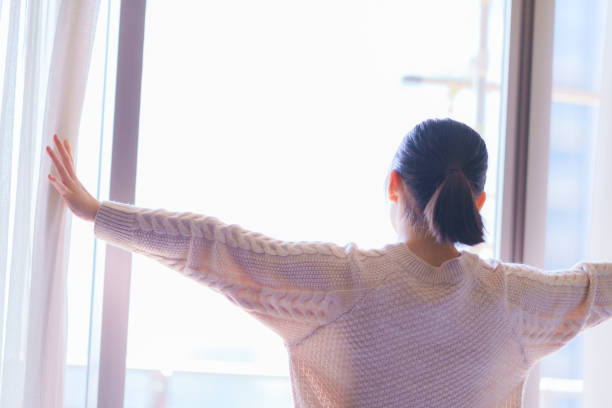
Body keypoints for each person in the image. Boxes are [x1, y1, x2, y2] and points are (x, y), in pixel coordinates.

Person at [46, 118, 612, 407]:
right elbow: (600, 287)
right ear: (478, 200)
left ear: (393, 185)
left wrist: (98, 212)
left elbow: (214, 247)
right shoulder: (514, 303)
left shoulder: (342, 285)